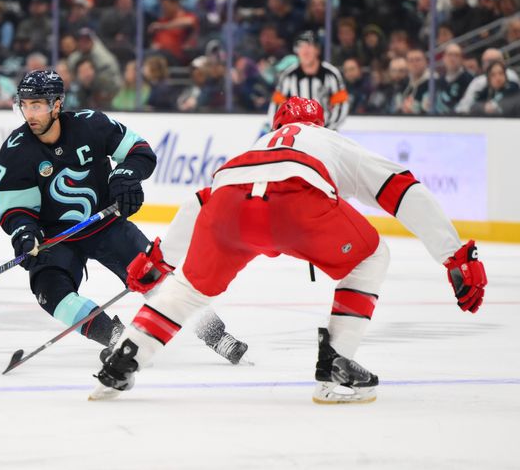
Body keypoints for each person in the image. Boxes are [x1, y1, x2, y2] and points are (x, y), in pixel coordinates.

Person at [91, 96, 487, 402]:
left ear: (277, 123)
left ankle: (126, 359)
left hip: (228, 204)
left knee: (189, 291)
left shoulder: (260, 144)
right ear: (319, 123)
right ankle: (335, 362)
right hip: (296, 201)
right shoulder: (328, 139)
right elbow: (402, 189)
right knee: (370, 256)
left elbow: (200, 201)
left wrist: (161, 259)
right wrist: (454, 254)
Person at [0, 69, 248, 362]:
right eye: (24, 105)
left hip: (105, 225)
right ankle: (117, 338)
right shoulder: (16, 150)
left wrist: (125, 178)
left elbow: (140, 151)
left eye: (37, 105)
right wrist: (25, 233)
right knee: (50, 292)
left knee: (155, 277)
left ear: (56, 104)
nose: (30, 113)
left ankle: (218, 336)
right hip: (57, 238)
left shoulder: (91, 125)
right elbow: (16, 209)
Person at [267, 31, 349, 130]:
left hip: (326, 133)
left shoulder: (331, 74)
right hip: (296, 134)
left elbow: (341, 106)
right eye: (301, 46)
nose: (305, 51)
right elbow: (276, 107)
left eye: (309, 46)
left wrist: (326, 130)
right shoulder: (288, 76)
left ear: (317, 50)